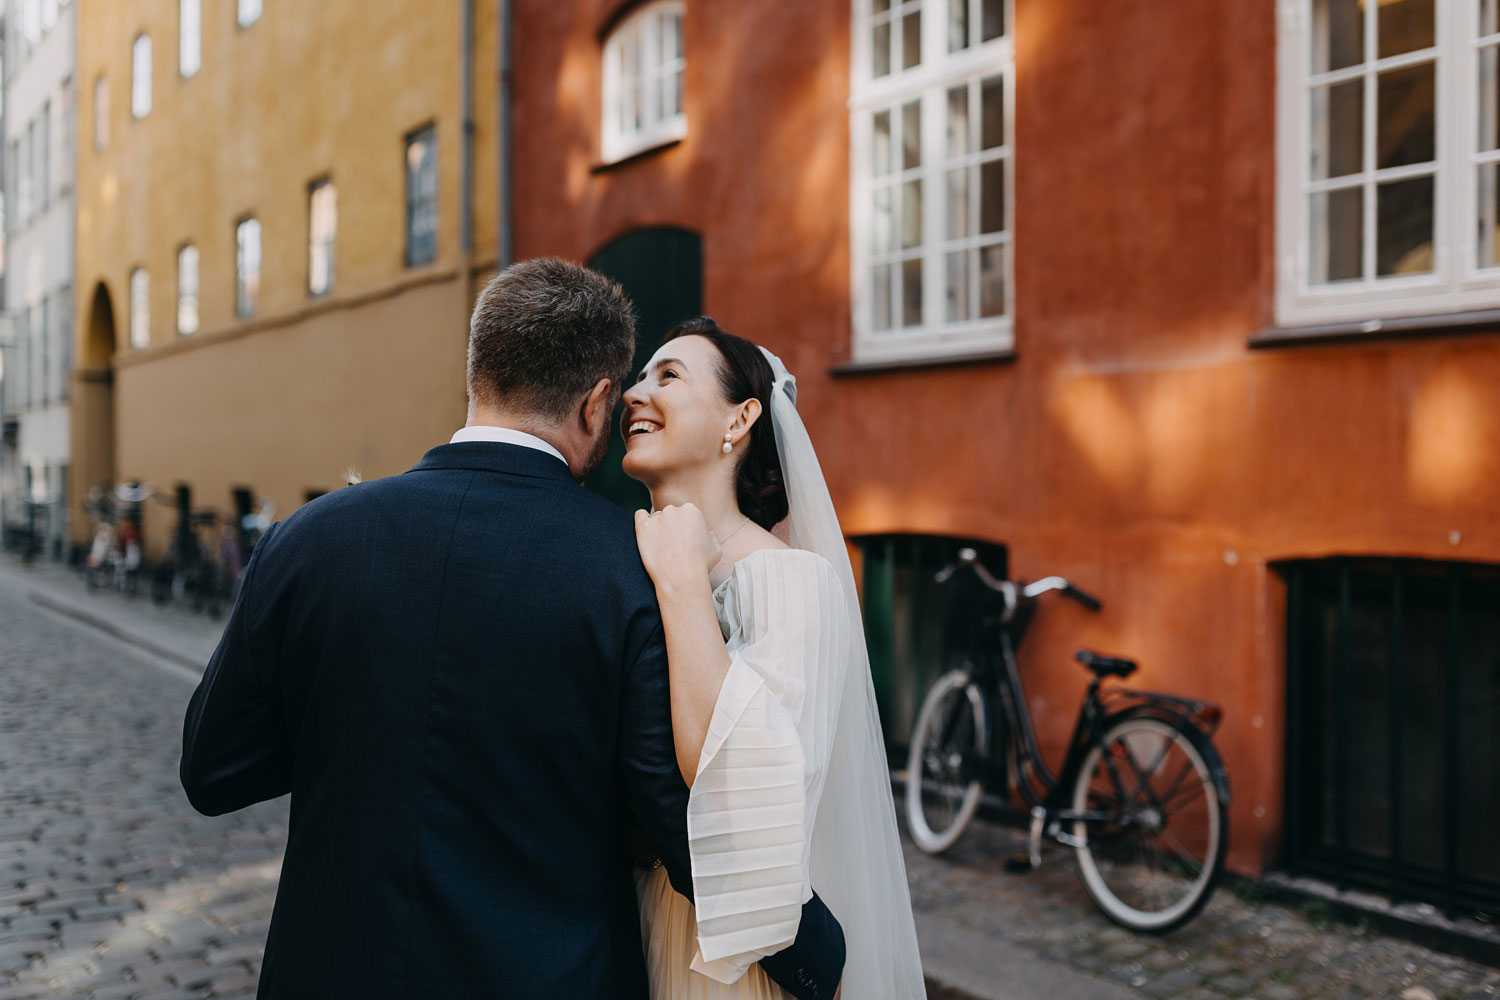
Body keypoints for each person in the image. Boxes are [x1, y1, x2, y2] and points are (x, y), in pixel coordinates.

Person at [179, 259, 846, 999]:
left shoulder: (308, 538)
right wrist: (815, 952)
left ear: (479, 373)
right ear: (596, 404)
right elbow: (672, 818)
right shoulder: (631, 567)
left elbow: (213, 770)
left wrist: (354, 725)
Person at [627, 318, 926, 998]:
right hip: (630, 933)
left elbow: (739, 786)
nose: (634, 393)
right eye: (640, 376)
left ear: (741, 419)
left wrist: (681, 585)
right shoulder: (626, 566)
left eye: (667, 375)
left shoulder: (791, 581)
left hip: (725, 963)